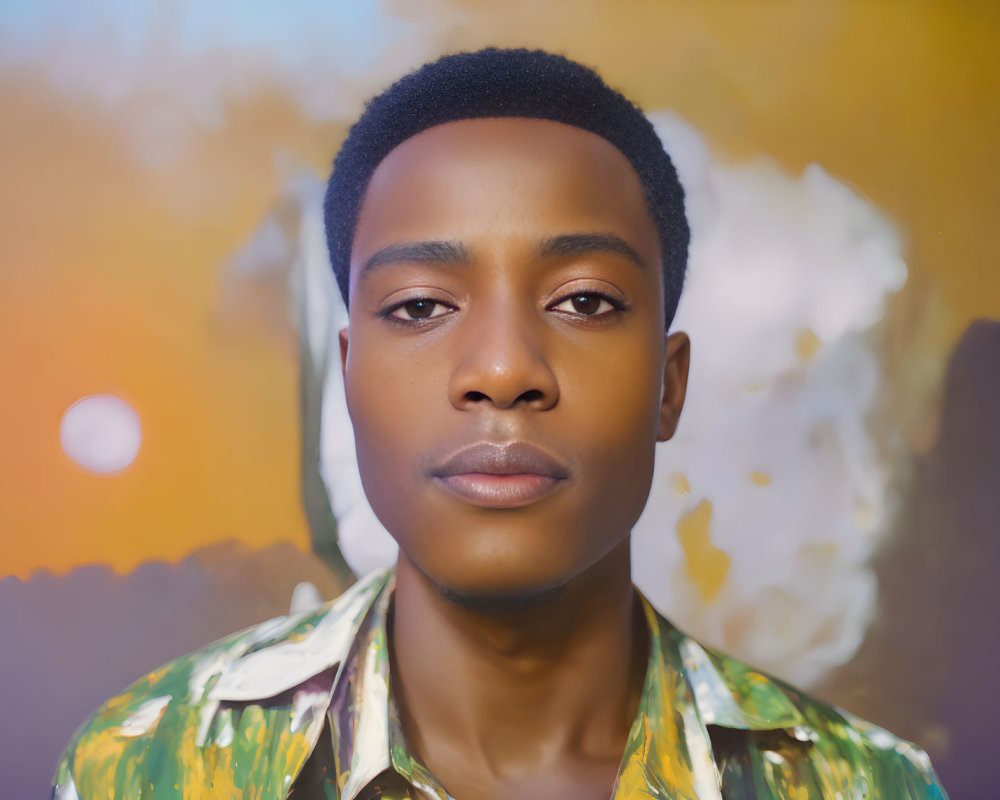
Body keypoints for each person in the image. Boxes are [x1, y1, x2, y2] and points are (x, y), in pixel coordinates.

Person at [52, 48, 947, 800]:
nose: (503, 370)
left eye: (585, 300)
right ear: (349, 380)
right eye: (419, 308)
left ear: (670, 386)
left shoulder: (862, 784)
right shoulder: (147, 766)